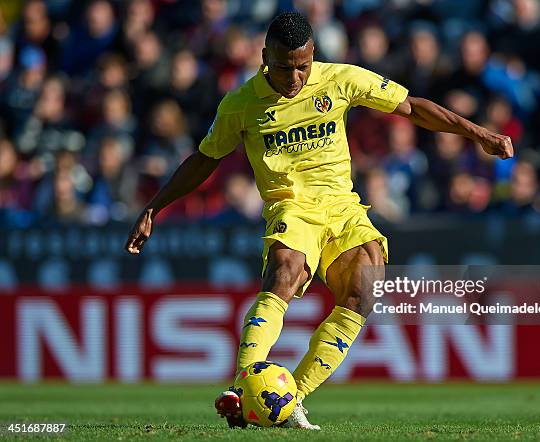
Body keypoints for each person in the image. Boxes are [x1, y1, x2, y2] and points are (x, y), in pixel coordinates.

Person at [124, 12, 513, 430]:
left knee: (366, 287)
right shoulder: (240, 103)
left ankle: (290, 398)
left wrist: (479, 134)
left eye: (303, 65)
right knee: (285, 271)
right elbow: (204, 159)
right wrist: (154, 207)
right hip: (292, 207)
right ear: (264, 57)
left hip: (344, 208)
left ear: (314, 56)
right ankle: (243, 386)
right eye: (284, 66)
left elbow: (412, 107)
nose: (295, 76)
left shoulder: (340, 79)